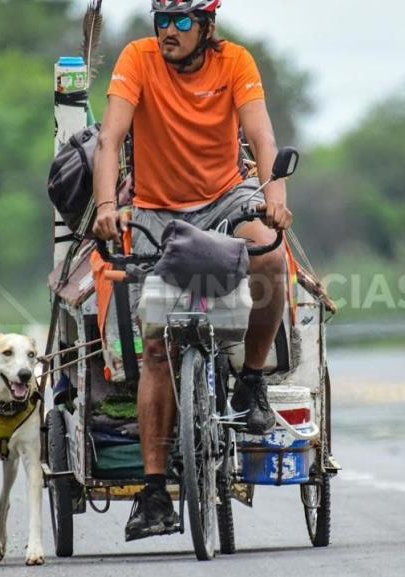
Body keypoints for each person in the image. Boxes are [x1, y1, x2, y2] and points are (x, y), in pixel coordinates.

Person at [92, 0, 293, 542]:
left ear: (207, 27)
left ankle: (251, 382)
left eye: (182, 21)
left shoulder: (236, 63)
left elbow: (263, 140)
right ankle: (155, 493)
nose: (169, 31)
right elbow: (110, 138)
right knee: (156, 345)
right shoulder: (137, 59)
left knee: (272, 257)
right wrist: (108, 205)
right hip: (158, 210)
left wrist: (274, 196)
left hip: (227, 199)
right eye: (162, 20)